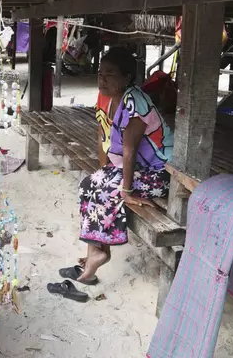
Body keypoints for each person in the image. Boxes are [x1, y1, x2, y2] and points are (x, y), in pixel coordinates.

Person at [49, 47, 174, 300]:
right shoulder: (112, 98)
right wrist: (104, 172)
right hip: (136, 168)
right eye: (100, 73)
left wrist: (126, 192)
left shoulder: (134, 103)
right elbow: (108, 142)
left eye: (110, 74)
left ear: (127, 77)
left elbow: (129, 151)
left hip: (159, 174)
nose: (102, 79)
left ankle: (99, 255)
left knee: (108, 189)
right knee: (89, 183)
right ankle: (95, 249)